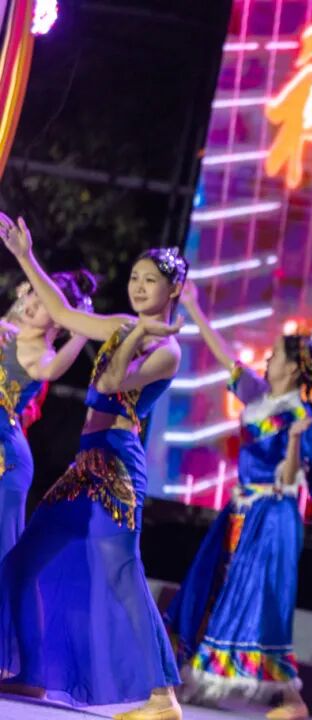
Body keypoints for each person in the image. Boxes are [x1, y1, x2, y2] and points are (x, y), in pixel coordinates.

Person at [0, 214, 188, 720]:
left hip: (117, 470)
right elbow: (62, 311)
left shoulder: (167, 350)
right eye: (135, 278)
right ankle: (32, 673)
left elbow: (110, 382)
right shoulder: (123, 325)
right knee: (22, 561)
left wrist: (137, 332)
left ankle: (163, 697)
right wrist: (24, 255)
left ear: (173, 290)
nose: (139, 286)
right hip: (85, 463)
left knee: (123, 574)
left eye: (150, 280)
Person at [165, 282, 312, 720]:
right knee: (213, 584)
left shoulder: (299, 415)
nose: (267, 360)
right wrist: (194, 308)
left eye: (275, 356)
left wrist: (295, 441)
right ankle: (193, 677)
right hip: (241, 509)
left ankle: (291, 700)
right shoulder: (259, 396)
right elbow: (225, 358)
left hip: (273, 515)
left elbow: (289, 480)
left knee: (257, 599)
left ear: (294, 368)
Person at [0, 275, 95, 560]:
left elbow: (51, 370)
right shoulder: (7, 330)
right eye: (34, 295)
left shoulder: (40, 354)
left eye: (44, 304)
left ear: (60, 319)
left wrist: (82, 331)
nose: (32, 304)